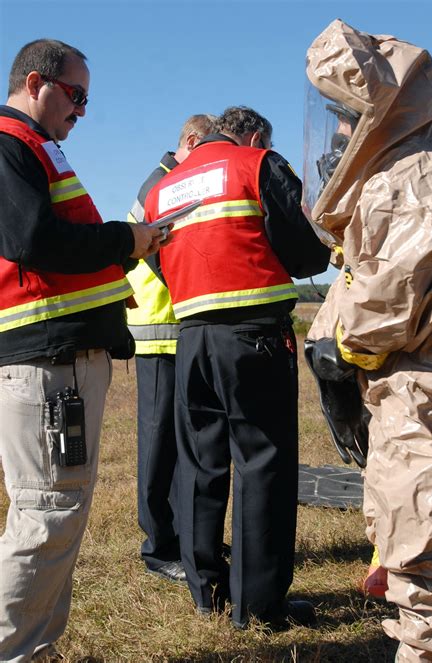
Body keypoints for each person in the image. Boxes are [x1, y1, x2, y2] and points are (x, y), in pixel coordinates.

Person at [302, 20, 432, 662]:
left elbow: (377, 311)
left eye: (345, 117)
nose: (339, 135)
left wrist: (336, 358)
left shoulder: (418, 181)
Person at [0, 39, 164, 662]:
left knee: (47, 511)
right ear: (37, 83)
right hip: (49, 363)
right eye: (77, 96)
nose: (83, 112)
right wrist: (128, 238)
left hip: (52, 360)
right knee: (47, 513)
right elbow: (32, 240)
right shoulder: (12, 142)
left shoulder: (33, 147)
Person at [143, 106, 331, 629]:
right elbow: (307, 250)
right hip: (254, 337)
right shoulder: (256, 164)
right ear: (252, 135)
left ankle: (207, 592)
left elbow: (156, 259)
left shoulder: (162, 190)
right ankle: (259, 606)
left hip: (191, 337)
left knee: (201, 464)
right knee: (262, 465)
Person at [126, 114, 216, 583]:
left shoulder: (172, 184)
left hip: (177, 333)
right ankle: (159, 548)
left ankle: (187, 539)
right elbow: (163, 261)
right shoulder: (157, 189)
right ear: (191, 141)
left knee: (185, 444)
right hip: (158, 333)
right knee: (158, 448)